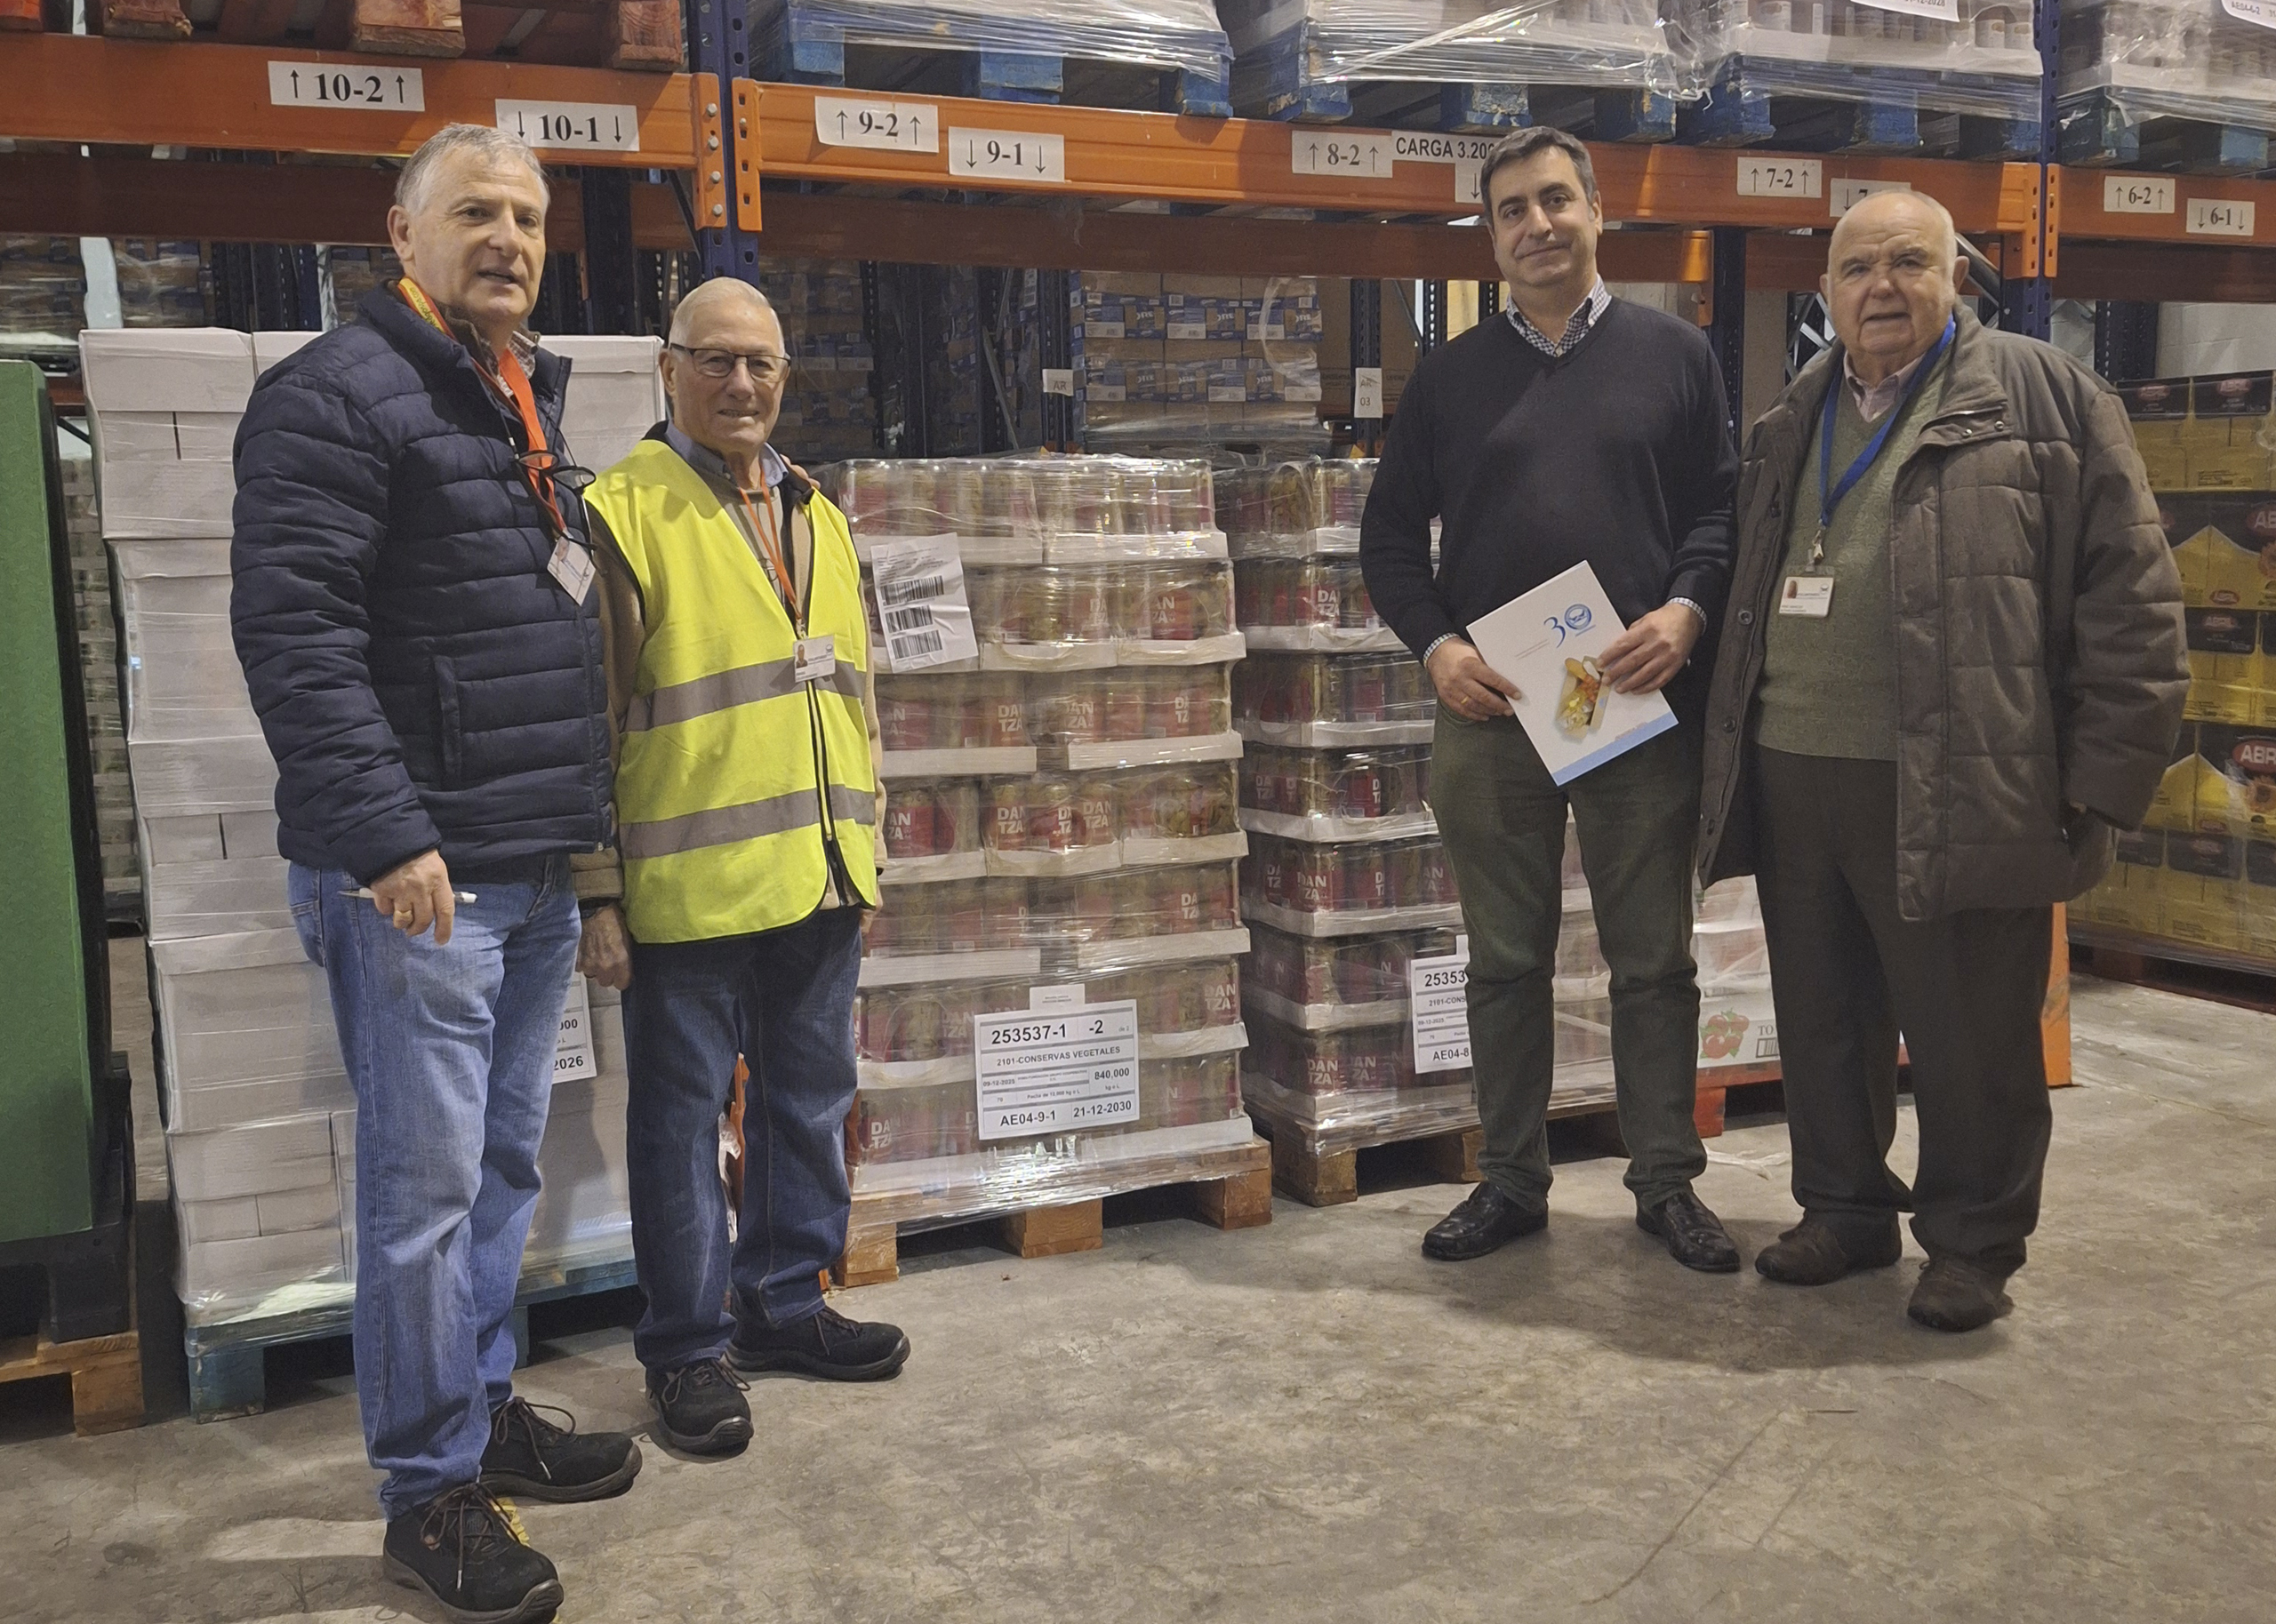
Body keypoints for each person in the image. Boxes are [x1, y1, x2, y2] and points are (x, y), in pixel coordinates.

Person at [233, 124, 638, 1624]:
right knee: (419, 1196)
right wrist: (387, 832)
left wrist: (584, 868)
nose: (511, 240)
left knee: (500, 1171)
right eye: (476, 211)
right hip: (424, 875)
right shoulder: (337, 398)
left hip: (523, 865)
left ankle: (478, 1406)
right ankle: (429, 1488)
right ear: (398, 232)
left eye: (530, 217)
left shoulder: (512, 395)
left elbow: (544, 646)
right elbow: (295, 636)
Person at [1697, 189, 2188, 1331]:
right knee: (1821, 1014)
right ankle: (1844, 1209)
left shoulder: (2046, 398)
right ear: (1824, 295)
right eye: (1857, 268)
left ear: (1957, 275)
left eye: (1908, 262)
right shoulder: (1790, 419)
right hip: (1794, 768)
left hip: (1967, 776)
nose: (1881, 288)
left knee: (1969, 1025)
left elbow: (2135, 604)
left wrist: (2098, 785)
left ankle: (1972, 1240)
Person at [1360, 126, 1743, 1273]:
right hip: (1494, 705)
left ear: (1595, 212)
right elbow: (1387, 540)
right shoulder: (1452, 377)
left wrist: (1684, 612)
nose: (1534, 225)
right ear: (1489, 237)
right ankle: (1510, 1179)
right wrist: (1434, 650)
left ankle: (1667, 1181)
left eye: (1553, 200)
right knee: (1504, 959)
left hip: (1631, 704)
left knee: (1653, 961)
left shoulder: (1675, 356)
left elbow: (1719, 516)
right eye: (1510, 211)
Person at [576, 277, 907, 1461]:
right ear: (668, 371)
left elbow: (847, 695)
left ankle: (785, 1300)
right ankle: (687, 1347)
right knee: (678, 1125)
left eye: (760, 363)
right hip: (687, 889)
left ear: (784, 375)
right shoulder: (619, 512)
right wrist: (595, 889)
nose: (740, 384)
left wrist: (861, 849)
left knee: (810, 1098)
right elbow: (587, 719)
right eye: (714, 360)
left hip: (817, 876)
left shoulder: (818, 508)